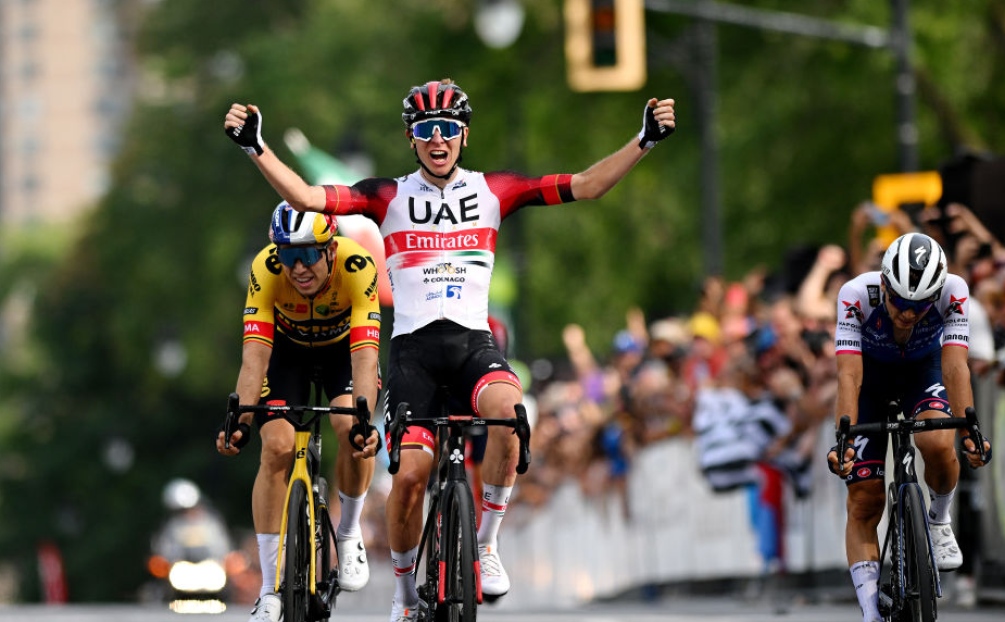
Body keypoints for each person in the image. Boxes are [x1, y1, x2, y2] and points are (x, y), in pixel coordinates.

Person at [223, 79, 676, 622]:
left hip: (472, 345)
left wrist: (643, 139)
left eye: (447, 130)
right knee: (411, 476)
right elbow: (310, 199)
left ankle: (485, 545)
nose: (437, 140)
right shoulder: (386, 195)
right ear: (412, 139)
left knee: (512, 418)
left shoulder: (495, 189)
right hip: (413, 352)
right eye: (425, 131)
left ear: (463, 135)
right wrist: (257, 146)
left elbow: (585, 185)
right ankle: (405, 597)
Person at [216, 203, 382, 622]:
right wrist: (239, 424)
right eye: (288, 255)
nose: (297, 267)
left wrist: (364, 420)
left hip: (343, 353)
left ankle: (348, 535)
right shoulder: (266, 269)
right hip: (286, 355)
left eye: (307, 254)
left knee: (349, 426)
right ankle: (270, 589)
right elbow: (254, 359)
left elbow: (365, 359)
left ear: (330, 250)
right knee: (277, 447)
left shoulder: (357, 266)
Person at [826, 232, 991, 622]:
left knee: (937, 444)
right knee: (865, 499)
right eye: (899, 301)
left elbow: (954, 366)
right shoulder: (854, 295)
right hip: (871, 378)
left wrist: (970, 428)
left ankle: (938, 519)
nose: (907, 313)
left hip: (924, 368)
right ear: (883, 284)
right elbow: (849, 376)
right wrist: (843, 440)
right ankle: (870, 612)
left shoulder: (954, 291)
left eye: (919, 305)